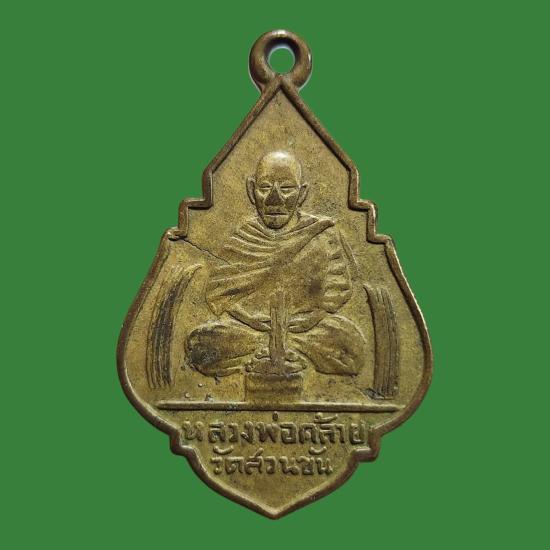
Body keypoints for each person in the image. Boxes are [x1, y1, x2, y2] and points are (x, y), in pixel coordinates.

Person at [185, 151, 367, 377]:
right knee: (202, 346)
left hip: (305, 331)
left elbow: (337, 293)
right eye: (265, 188)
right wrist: (252, 321)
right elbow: (221, 295)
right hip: (250, 332)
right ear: (251, 191)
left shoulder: (322, 234)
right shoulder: (245, 235)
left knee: (351, 348)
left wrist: (310, 319)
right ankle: (268, 351)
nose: (275, 199)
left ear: (302, 194)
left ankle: (280, 351)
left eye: (287, 188)